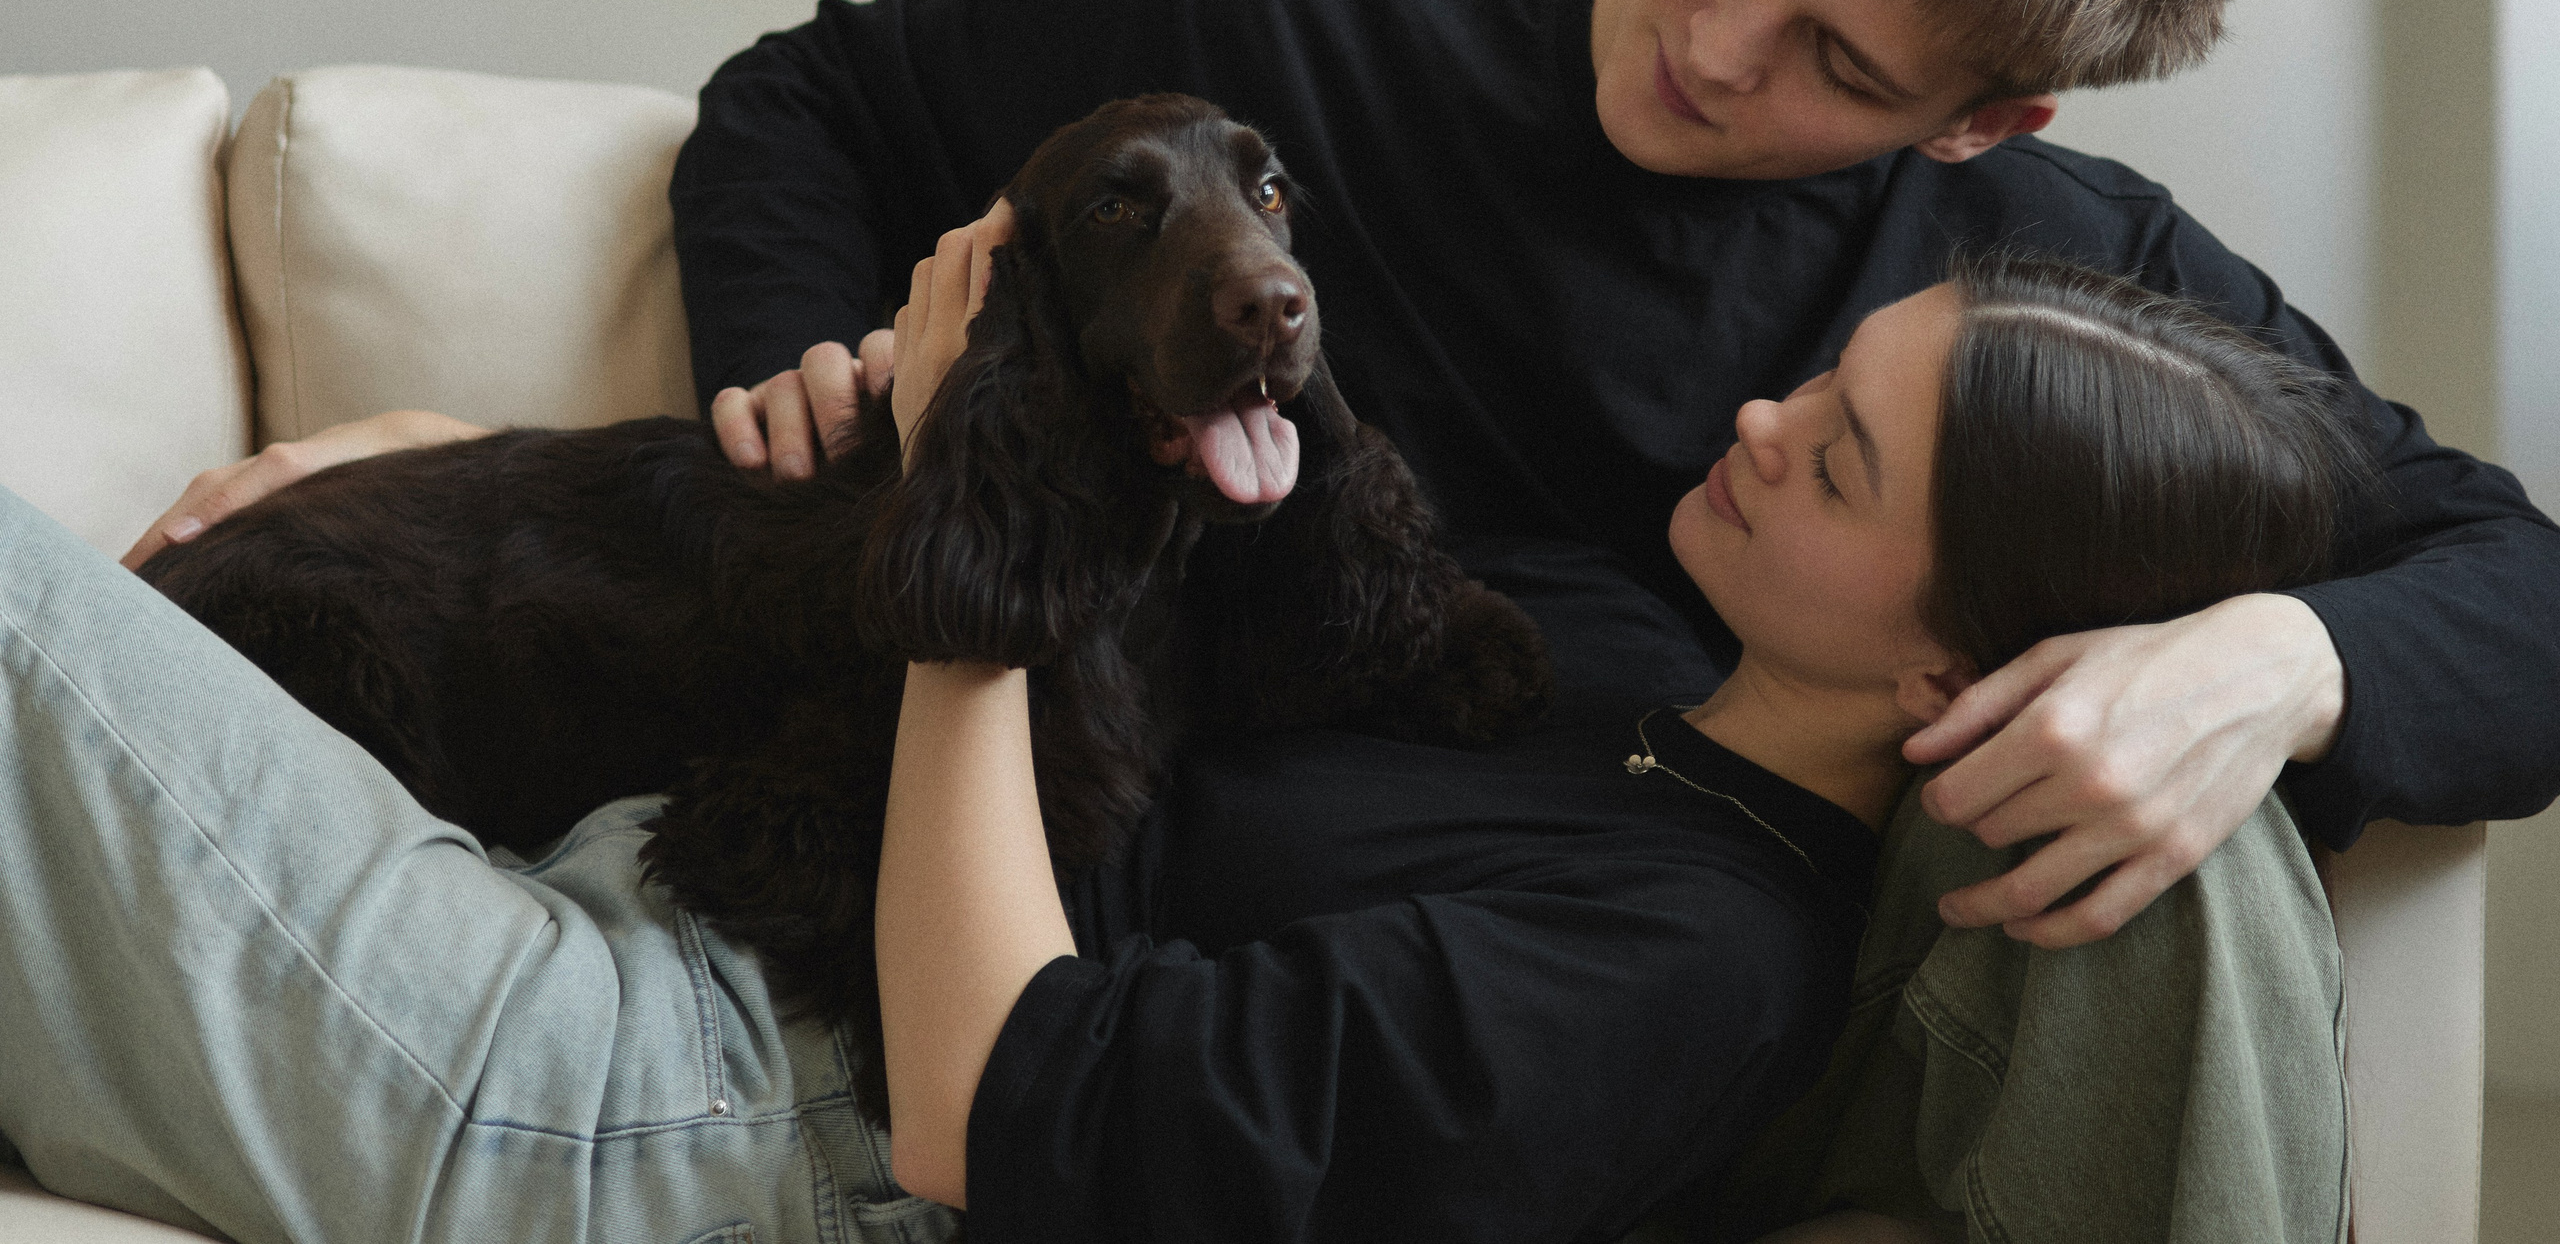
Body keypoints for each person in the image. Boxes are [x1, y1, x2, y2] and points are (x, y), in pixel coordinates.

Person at [633, 0, 2560, 945]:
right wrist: (800, 352)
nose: (1725, 52)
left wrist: (2283, 664)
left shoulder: (2053, 276)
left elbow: (2520, 586)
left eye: (1848, 75)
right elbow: (808, 95)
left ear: (1984, 122)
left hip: (1556, 953)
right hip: (1043, 866)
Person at [3, 248, 2362, 1243]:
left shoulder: (1674, 961)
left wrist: (964, 544)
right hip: (634, 866)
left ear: (1963, 677)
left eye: (1834, 459)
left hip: (706, 1115)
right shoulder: (1604, 666)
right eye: (1822, 374)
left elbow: (985, 1099)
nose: (1754, 418)